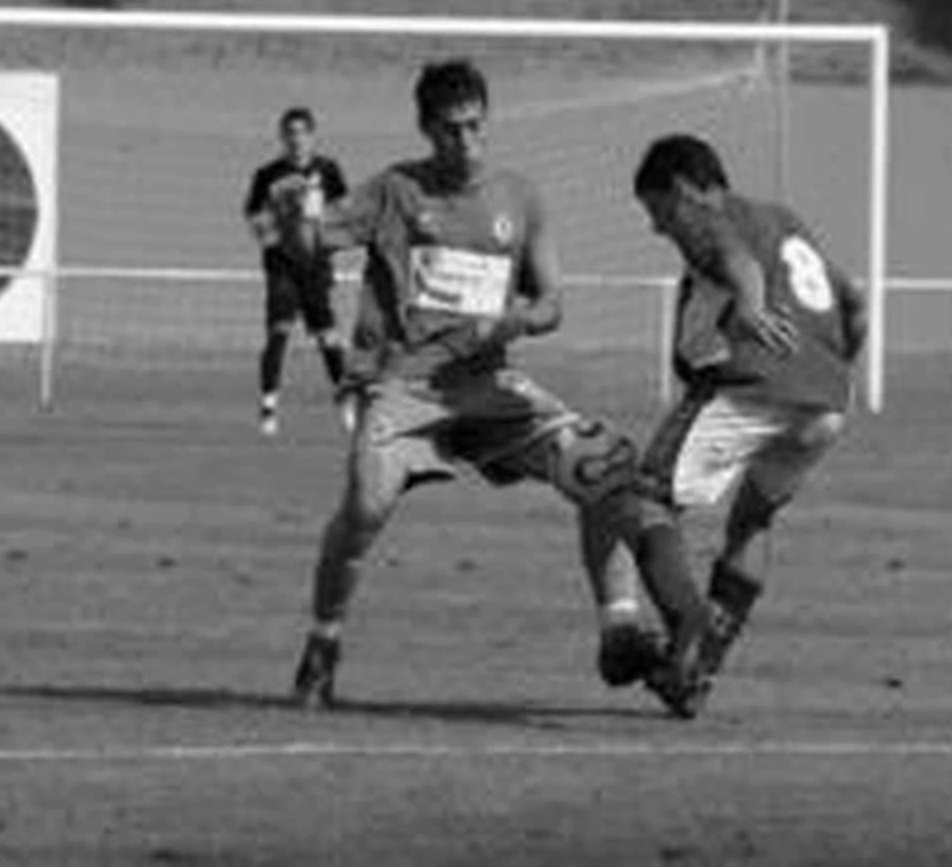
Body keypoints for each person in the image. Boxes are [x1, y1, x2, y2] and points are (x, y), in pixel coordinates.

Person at [288, 60, 712, 718]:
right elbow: (314, 242)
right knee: (365, 507)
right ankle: (324, 641)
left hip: (489, 388)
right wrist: (297, 222)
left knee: (608, 470)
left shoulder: (520, 196)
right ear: (427, 128)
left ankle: (621, 630)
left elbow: (550, 305)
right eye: (451, 129)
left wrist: (507, 320)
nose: (466, 140)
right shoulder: (394, 190)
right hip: (404, 389)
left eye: (475, 126)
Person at [630, 133, 867, 687]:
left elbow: (737, 264)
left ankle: (689, 626)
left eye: (659, 209)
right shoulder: (783, 220)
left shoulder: (714, 216)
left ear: (686, 191)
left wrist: (751, 312)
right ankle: (696, 673)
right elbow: (853, 300)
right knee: (752, 522)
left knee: (639, 502)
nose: (658, 227)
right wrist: (835, 371)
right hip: (825, 406)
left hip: (757, 386)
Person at [242, 107, 350, 437]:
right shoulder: (267, 175)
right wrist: (275, 235)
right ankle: (268, 409)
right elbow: (253, 215)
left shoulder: (327, 170)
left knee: (329, 340)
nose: (296, 139)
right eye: (290, 133)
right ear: (282, 137)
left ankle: (347, 409)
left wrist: (322, 230)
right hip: (282, 267)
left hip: (315, 267)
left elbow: (344, 210)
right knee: (279, 333)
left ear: (312, 136)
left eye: (302, 133)